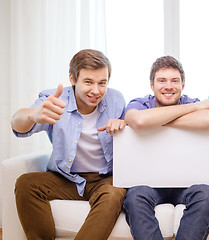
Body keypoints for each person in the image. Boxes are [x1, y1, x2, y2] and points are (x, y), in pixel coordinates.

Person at [11, 49, 127, 240]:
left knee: (115, 193)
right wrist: (32, 115)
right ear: (72, 79)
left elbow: (131, 138)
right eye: (88, 82)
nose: (96, 91)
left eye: (102, 83)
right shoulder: (54, 100)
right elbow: (17, 124)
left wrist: (123, 125)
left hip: (104, 178)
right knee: (26, 183)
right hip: (66, 178)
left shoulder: (116, 100)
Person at [122, 55, 209, 240]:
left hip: (187, 183)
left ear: (183, 85)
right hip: (149, 184)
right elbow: (139, 120)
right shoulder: (140, 103)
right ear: (152, 85)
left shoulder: (191, 101)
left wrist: (158, 120)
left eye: (175, 81)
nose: (168, 86)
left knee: (207, 193)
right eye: (162, 81)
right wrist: (194, 111)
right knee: (134, 197)